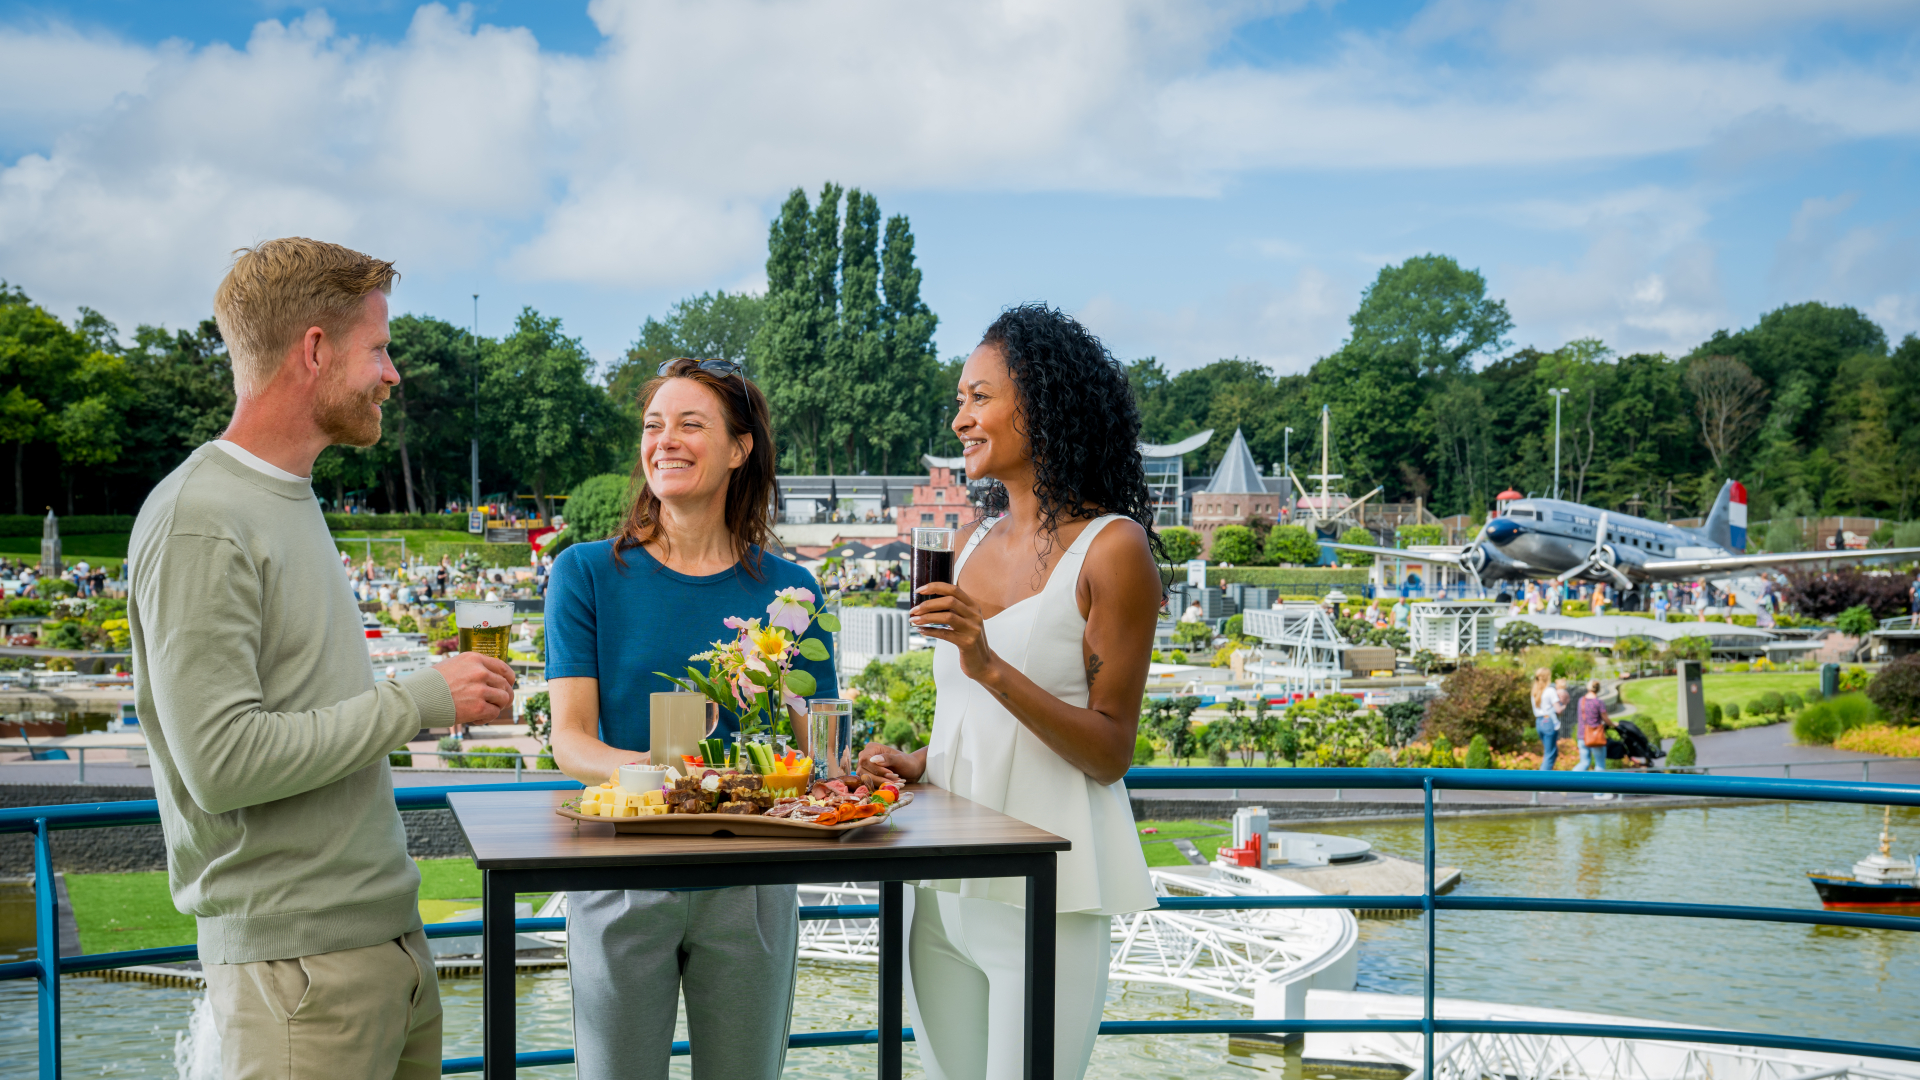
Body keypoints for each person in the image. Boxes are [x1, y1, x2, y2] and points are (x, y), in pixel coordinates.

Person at [129, 238, 516, 1080]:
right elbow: (223, 763)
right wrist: (417, 700)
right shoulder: (201, 516)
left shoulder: (285, 498)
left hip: (379, 951)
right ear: (313, 349)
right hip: (298, 977)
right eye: (378, 347)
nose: (393, 373)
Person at [859, 304, 1159, 1080]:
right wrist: (918, 762)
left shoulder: (1113, 551)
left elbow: (1108, 751)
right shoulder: (970, 542)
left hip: (1045, 892)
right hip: (940, 884)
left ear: (1045, 403)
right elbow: (974, 722)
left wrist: (987, 663)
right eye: (960, 399)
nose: (960, 418)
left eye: (979, 397)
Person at [545, 358, 836, 1080]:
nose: (665, 440)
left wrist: (861, 767)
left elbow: (818, 753)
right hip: (620, 873)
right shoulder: (583, 573)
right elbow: (571, 741)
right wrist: (679, 779)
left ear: (740, 449)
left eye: (690, 424)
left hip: (754, 881)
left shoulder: (794, 590)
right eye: (653, 426)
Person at [1572, 677, 1615, 791]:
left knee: (1584, 762)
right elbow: (1605, 719)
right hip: (1595, 737)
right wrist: (1613, 724)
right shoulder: (1599, 702)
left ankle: (1568, 782)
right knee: (1600, 765)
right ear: (1598, 689)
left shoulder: (1581, 700)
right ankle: (1599, 793)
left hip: (1582, 735)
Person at [1531, 667, 1560, 770]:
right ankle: (1541, 781)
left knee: (1552, 752)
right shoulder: (1550, 690)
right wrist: (1564, 704)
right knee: (1550, 754)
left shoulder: (1534, 691)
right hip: (1548, 722)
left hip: (1539, 722)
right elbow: (1558, 709)